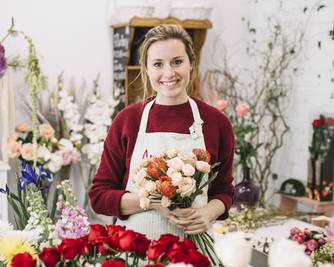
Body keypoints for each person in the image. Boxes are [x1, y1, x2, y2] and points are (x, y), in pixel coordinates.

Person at [88, 24, 234, 241]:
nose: (169, 73)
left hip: (193, 251)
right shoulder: (127, 121)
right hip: (135, 251)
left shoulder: (216, 123)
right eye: (158, 64)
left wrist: (208, 212)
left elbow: (224, 191)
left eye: (177, 62)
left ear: (191, 64)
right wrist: (154, 200)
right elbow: (99, 196)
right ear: (146, 69)